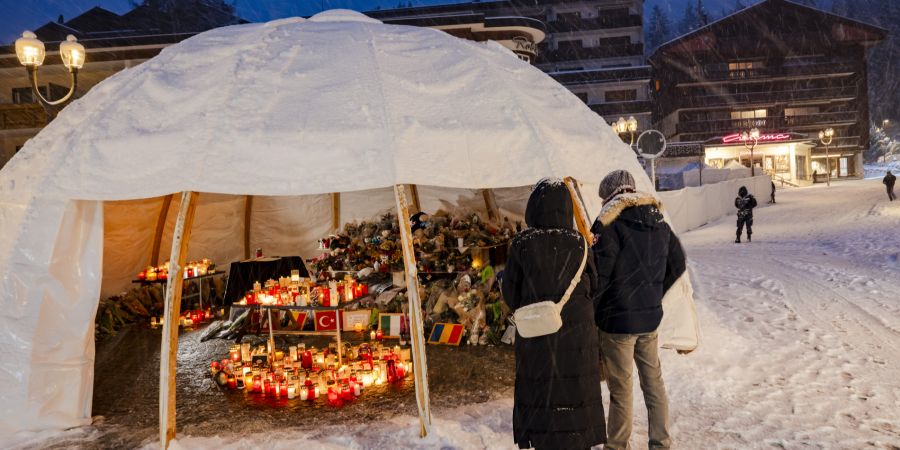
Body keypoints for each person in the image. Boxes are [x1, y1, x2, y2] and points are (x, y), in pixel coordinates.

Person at [502, 179, 606, 450]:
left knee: (542, 400)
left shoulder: (523, 243)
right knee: (576, 396)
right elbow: (595, 286)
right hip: (578, 341)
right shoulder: (580, 244)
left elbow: (511, 295)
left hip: (539, 339)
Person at [591, 170, 686, 450]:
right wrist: (653, 292)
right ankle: (660, 442)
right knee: (653, 383)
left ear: (609, 195)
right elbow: (677, 264)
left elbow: (601, 276)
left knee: (621, 388)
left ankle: (618, 446)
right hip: (649, 318)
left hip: (616, 320)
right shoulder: (658, 220)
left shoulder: (608, 222)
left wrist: (595, 309)